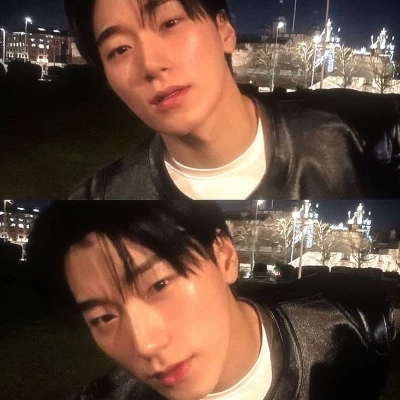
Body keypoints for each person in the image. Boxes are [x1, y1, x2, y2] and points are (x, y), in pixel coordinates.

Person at [28, 201, 396, 400]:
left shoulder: (350, 322)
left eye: (159, 285)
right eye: (104, 317)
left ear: (225, 257)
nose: (145, 344)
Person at [64, 0, 400, 200]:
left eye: (170, 23)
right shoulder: (98, 199)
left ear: (224, 29)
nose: (150, 65)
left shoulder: (360, 139)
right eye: (119, 49)